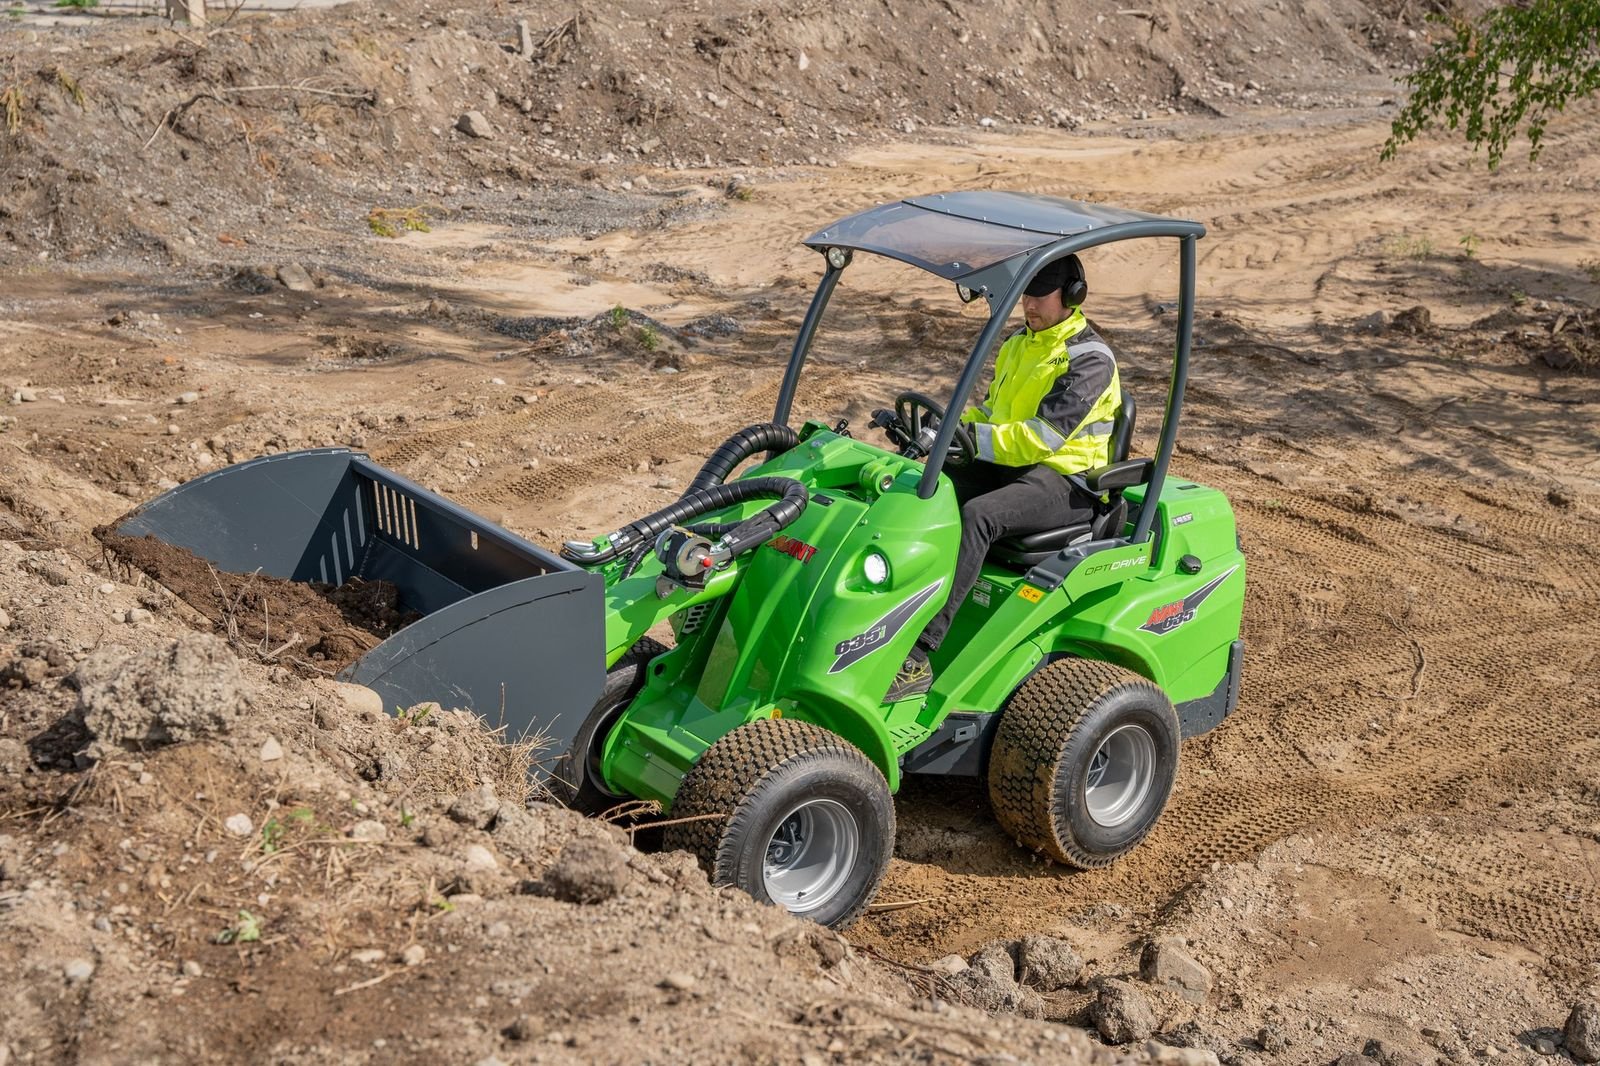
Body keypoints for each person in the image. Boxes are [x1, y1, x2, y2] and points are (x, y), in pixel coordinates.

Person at [884, 254, 1121, 702]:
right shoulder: (1019, 342)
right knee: (921, 483)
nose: (1029, 304)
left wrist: (970, 436)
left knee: (978, 515)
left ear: (1072, 295)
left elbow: (1040, 439)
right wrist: (945, 431)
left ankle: (917, 655)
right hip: (1016, 465)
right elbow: (994, 414)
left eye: (1040, 295)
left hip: (1069, 481)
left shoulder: (1089, 360)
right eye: (1025, 294)